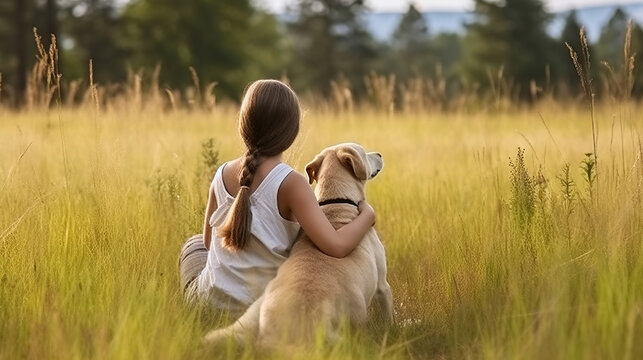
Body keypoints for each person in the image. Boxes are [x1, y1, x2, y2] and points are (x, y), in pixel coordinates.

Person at [178, 79, 376, 314]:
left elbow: (210, 244)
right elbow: (336, 246)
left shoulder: (221, 174)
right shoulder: (292, 183)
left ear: (243, 125)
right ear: (291, 133)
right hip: (264, 312)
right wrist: (367, 215)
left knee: (194, 244)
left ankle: (193, 312)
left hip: (208, 306)